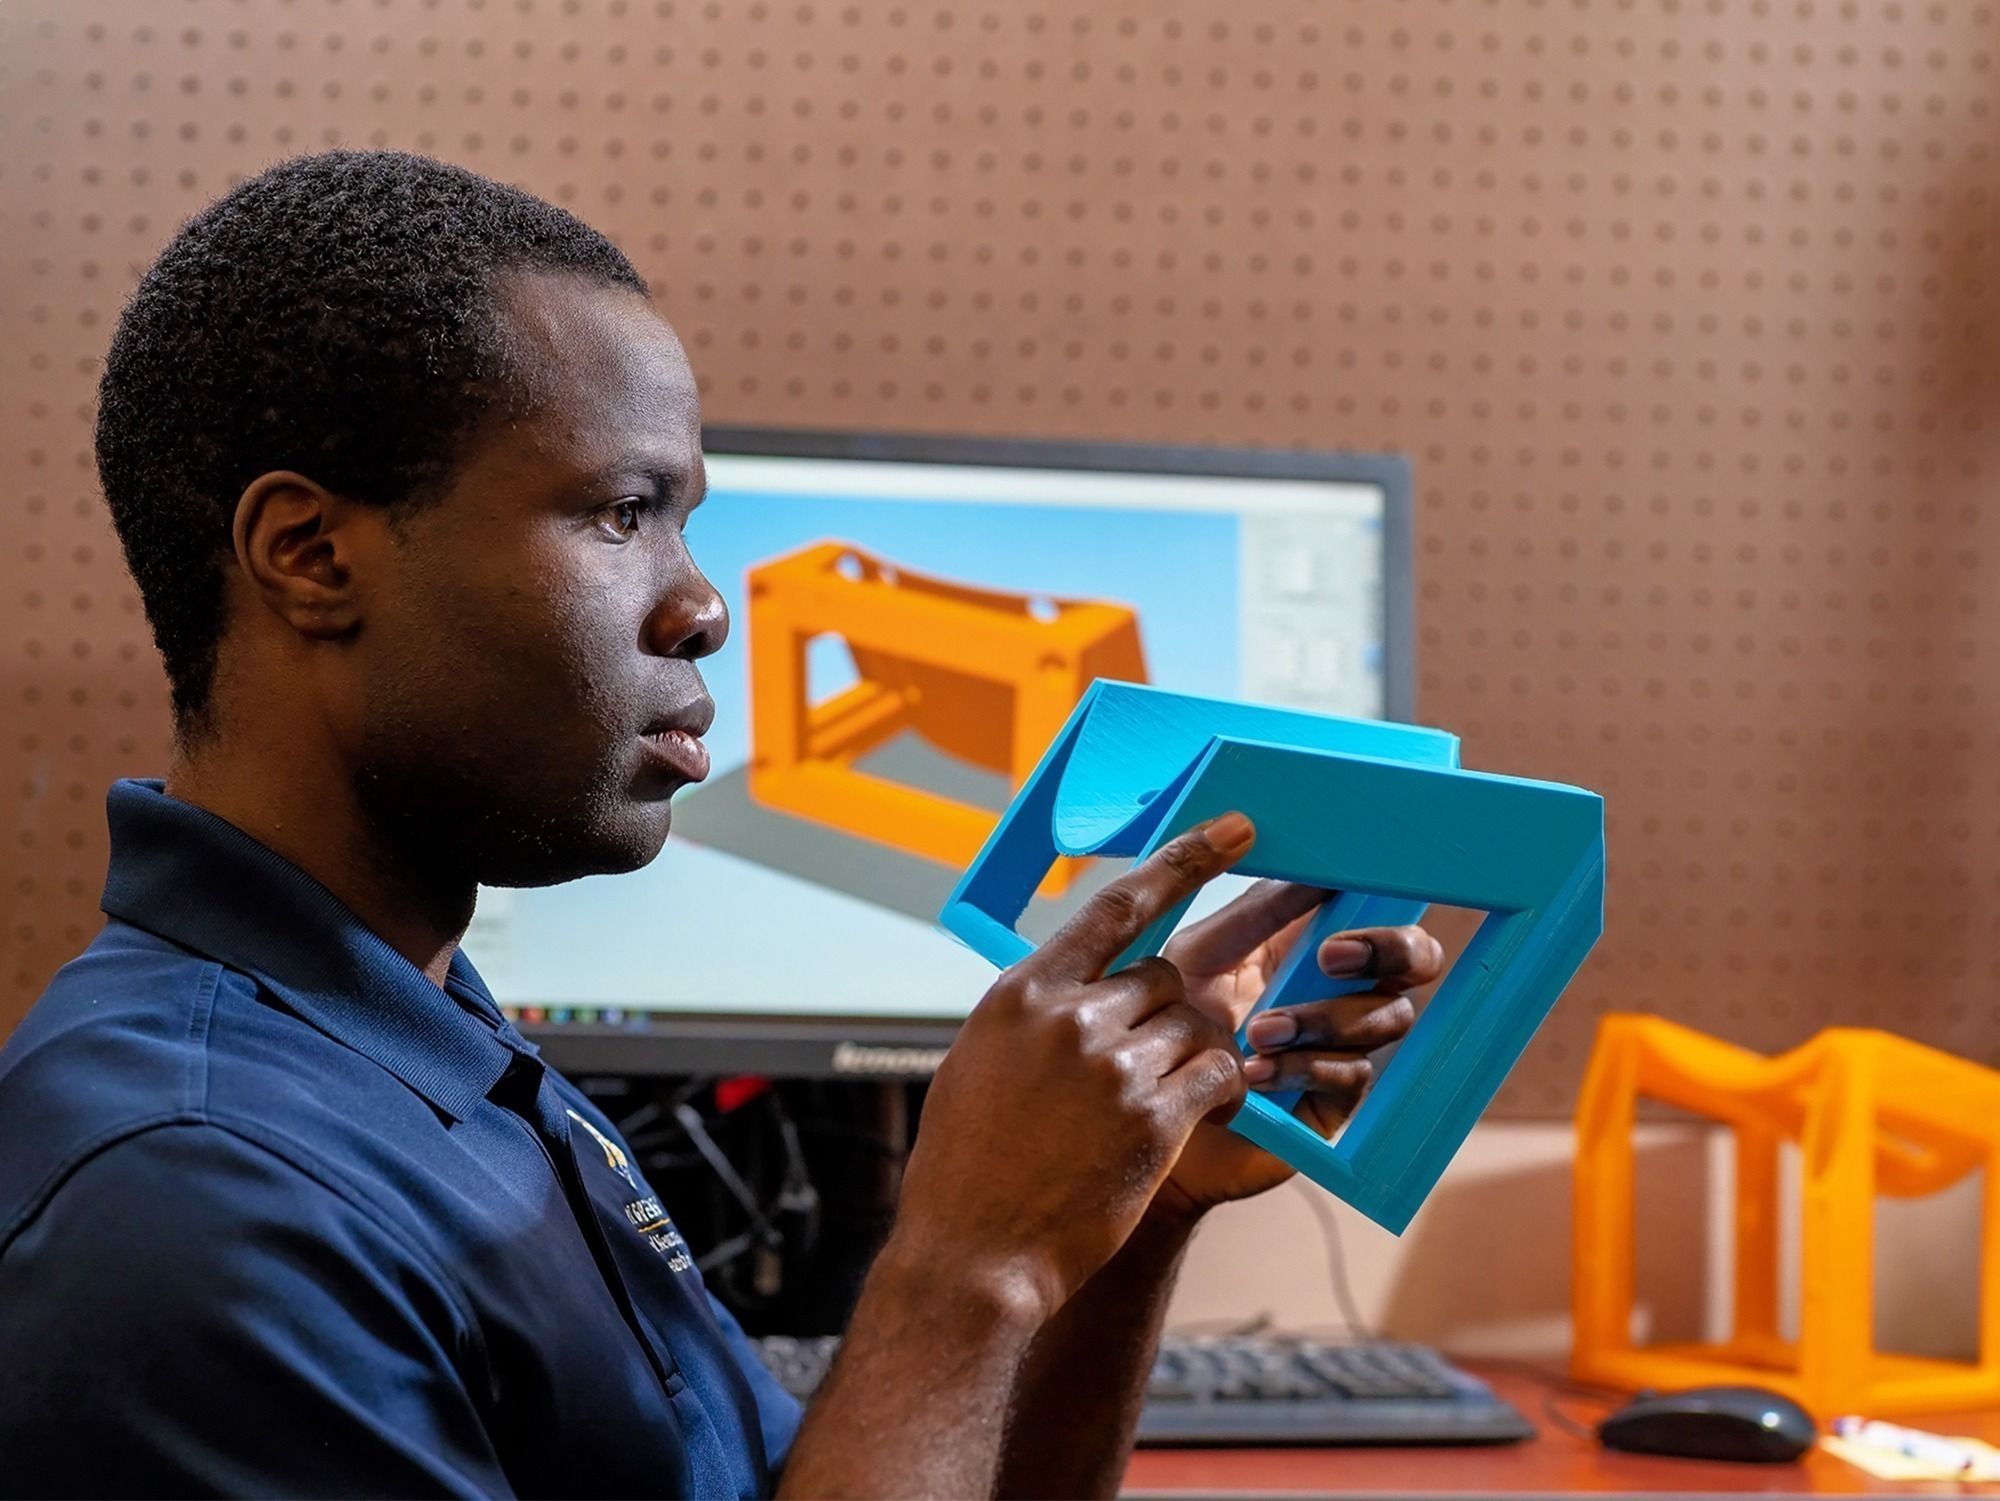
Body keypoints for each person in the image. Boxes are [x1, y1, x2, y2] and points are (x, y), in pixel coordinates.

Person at [0, 150, 1439, 1498]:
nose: (703, 604)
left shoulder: (418, 1045)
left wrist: (1136, 1207)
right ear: (311, 556)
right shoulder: (195, 1198)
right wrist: (966, 1263)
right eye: (622, 512)